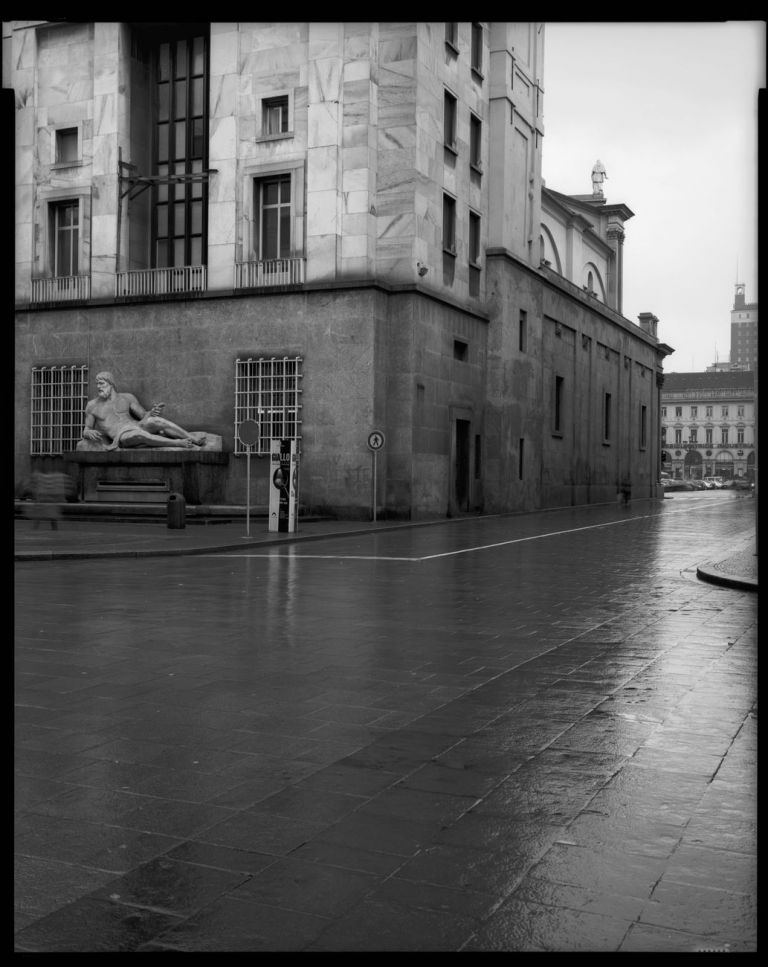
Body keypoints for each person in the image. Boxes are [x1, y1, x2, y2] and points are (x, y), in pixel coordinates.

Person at [81, 372, 205, 450]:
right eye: (97, 384)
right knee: (139, 435)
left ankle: (193, 439)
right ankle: (178, 443)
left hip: (136, 425)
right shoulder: (92, 406)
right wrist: (88, 433)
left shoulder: (127, 398)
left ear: (111, 384)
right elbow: (86, 428)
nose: (98, 387)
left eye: (101, 384)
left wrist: (152, 412)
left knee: (155, 421)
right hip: (122, 436)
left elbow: (143, 415)